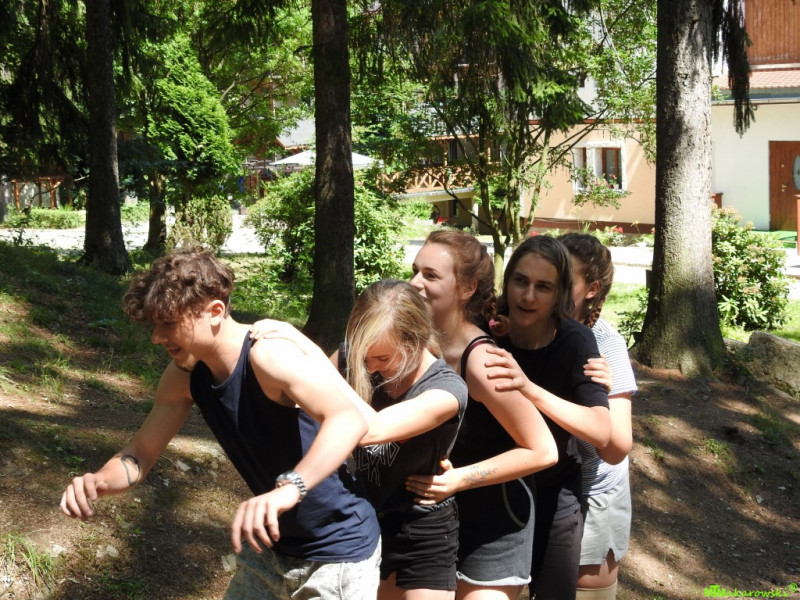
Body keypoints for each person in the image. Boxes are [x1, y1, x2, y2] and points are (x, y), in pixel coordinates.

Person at [58, 248, 381, 600]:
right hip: (271, 545)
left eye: (169, 323)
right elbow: (140, 453)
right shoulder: (185, 375)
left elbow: (347, 419)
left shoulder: (267, 355)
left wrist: (291, 487)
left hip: (339, 552)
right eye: (155, 325)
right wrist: (100, 481)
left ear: (214, 312)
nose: (157, 337)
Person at [252, 279, 469, 600]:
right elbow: (303, 413)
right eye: (363, 355)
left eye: (382, 358)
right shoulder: (351, 357)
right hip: (362, 520)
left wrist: (308, 350)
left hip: (423, 532)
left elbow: (371, 429)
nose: (370, 367)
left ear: (415, 340)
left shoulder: (447, 390)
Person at [403, 230, 559, 600]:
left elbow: (543, 450)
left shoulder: (483, 360)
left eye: (430, 275)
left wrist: (460, 479)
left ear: (466, 288)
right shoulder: (414, 342)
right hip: (432, 519)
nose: (414, 283)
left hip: (496, 526)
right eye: (414, 271)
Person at [484, 235, 611, 600]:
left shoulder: (576, 341)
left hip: (555, 492)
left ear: (559, 295)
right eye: (520, 281)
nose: (528, 296)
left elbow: (601, 430)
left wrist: (528, 388)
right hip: (491, 488)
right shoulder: (487, 329)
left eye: (543, 287)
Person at [558, 233, 636, 600]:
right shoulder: (522, 329)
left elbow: (617, 447)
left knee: (587, 591)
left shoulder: (606, 344)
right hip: (540, 483)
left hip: (594, 492)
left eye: (564, 278)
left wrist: (593, 394)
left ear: (591, 290)